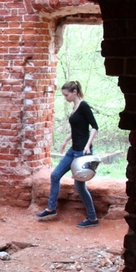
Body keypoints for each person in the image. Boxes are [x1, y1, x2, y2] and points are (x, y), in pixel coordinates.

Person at [36, 80, 100, 228]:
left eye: (66, 95)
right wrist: (65, 141)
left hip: (82, 152)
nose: (65, 98)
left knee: (79, 186)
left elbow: (94, 127)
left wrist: (88, 145)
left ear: (74, 92)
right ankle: (51, 208)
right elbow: (77, 130)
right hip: (73, 150)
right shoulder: (74, 107)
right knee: (55, 175)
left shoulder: (83, 106)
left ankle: (92, 218)